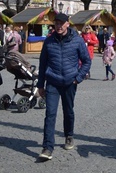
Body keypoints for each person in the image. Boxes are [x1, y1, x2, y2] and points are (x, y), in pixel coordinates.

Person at [37, 13, 91, 161]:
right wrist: (40, 84)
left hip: (69, 82)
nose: (59, 26)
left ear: (68, 24)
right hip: (53, 82)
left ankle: (69, 135)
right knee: (50, 114)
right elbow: (42, 65)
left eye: (61, 23)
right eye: (56, 24)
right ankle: (47, 147)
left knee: (68, 111)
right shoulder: (49, 42)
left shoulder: (77, 41)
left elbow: (86, 61)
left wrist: (77, 78)